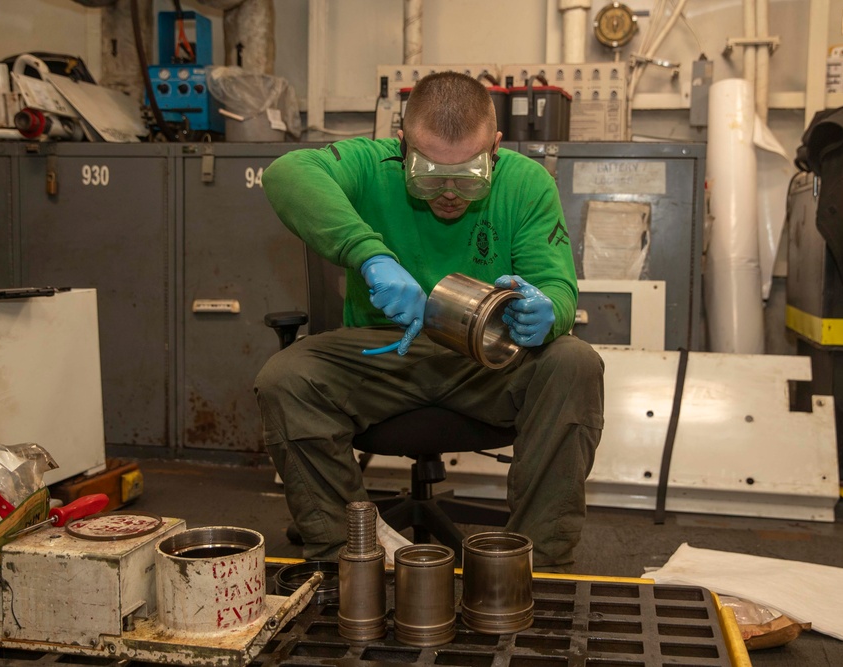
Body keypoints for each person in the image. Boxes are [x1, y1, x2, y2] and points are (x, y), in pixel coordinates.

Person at [255, 71, 604, 571]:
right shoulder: (373, 164)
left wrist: (547, 311)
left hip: (486, 359)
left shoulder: (527, 183)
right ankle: (347, 559)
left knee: (574, 362)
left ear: (496, 148)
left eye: (469, 175)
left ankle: (538, 568)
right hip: (385, 353)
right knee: (285, 378)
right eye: (429, 173)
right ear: (402, 145)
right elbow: (286, 173)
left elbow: (557, 286)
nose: (449, 192)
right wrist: (370, 255)